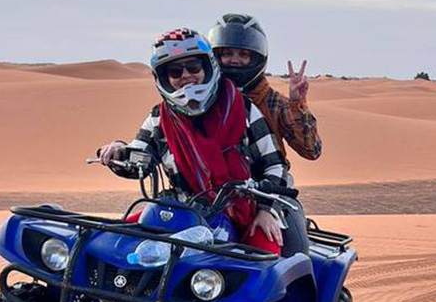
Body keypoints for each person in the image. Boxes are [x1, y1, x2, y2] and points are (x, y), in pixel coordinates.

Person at [97, 27, 287, 254]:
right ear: (164, 78)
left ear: (208, 67)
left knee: (266, 264)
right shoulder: (160, 117)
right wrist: (119, 151)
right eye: (175, 71)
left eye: (194, 67)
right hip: (179, 212)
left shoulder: (243, 109)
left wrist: (266, 210)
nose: (186, 75)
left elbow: (275, 165)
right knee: (111, 244)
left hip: (242, 214)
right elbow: (140, 157)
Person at [207, 14, 321, 255]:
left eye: (243, 54)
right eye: (227, 53)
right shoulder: (202, 103)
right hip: (211, 193)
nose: (234, 61)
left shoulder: (273, 103)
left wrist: (298, 106)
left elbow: (311, 150)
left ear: (257, 58)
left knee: (295, 255)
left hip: (270, 191)